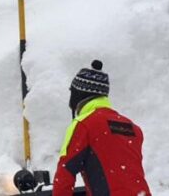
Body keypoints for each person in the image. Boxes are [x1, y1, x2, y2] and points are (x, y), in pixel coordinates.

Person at [52, 60, 151, 196]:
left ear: (79, 94)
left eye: (72, 92)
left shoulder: (84, 124)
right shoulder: (132, 128)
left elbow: (66, 172)